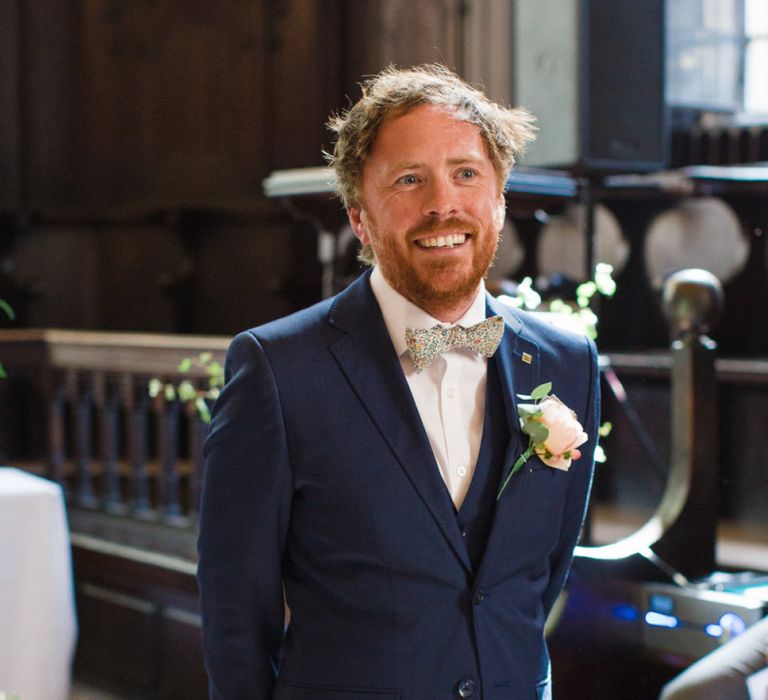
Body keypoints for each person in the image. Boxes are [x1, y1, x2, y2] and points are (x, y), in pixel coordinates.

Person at [197, 64, 600, 700]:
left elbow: (541, 576)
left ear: (499, 197)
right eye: (409, 180)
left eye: (466, 173)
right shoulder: (277, 371)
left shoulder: (567, 357)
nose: (444, 203)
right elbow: (234, 617)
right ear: (360, 217)